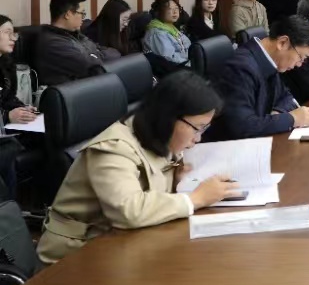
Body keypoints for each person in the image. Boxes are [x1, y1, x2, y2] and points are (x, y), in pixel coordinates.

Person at [36, 71, 241, 264]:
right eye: (197, 128)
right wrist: (195, 199)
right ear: (169, 118)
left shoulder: (160, 136)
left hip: (124, 242)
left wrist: (178, 182)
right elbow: (128, 211)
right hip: (75, 255)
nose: (198, 138)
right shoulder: (114, 148)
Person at [204, 16, 309, 142]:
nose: (299, 64)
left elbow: (286, 97)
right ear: (282, 43)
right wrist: (291, 119)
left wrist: (276, 115)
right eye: (301, 57)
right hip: (227, 146)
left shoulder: (269, 59)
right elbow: (241, 126)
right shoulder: (241, 68)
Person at [35, 0, 118, 86]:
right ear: (68, 14)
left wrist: (94, 55)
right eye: (82, 13)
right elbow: (91, 67)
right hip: (73, 92)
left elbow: (114, 53)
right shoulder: (52, 43)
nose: (83, 18)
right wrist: (95, 54)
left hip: (88, 85)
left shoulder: (75, 34)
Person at [1, 15, 38, 129]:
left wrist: (21, 108)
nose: (13, 38)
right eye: (7, 33)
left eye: (14, 33)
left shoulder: (8, 64)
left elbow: (8, 98)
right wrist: (7, 116)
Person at [142, 0, 192, 67]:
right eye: (169, 9)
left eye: (176, 8)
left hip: (184, 65)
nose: (175, 12)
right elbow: (169, 58)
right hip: (175, 69)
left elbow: (188, 46)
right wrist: (191, 62)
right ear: (160, 11)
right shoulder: (157, 32)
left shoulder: (172, 28)